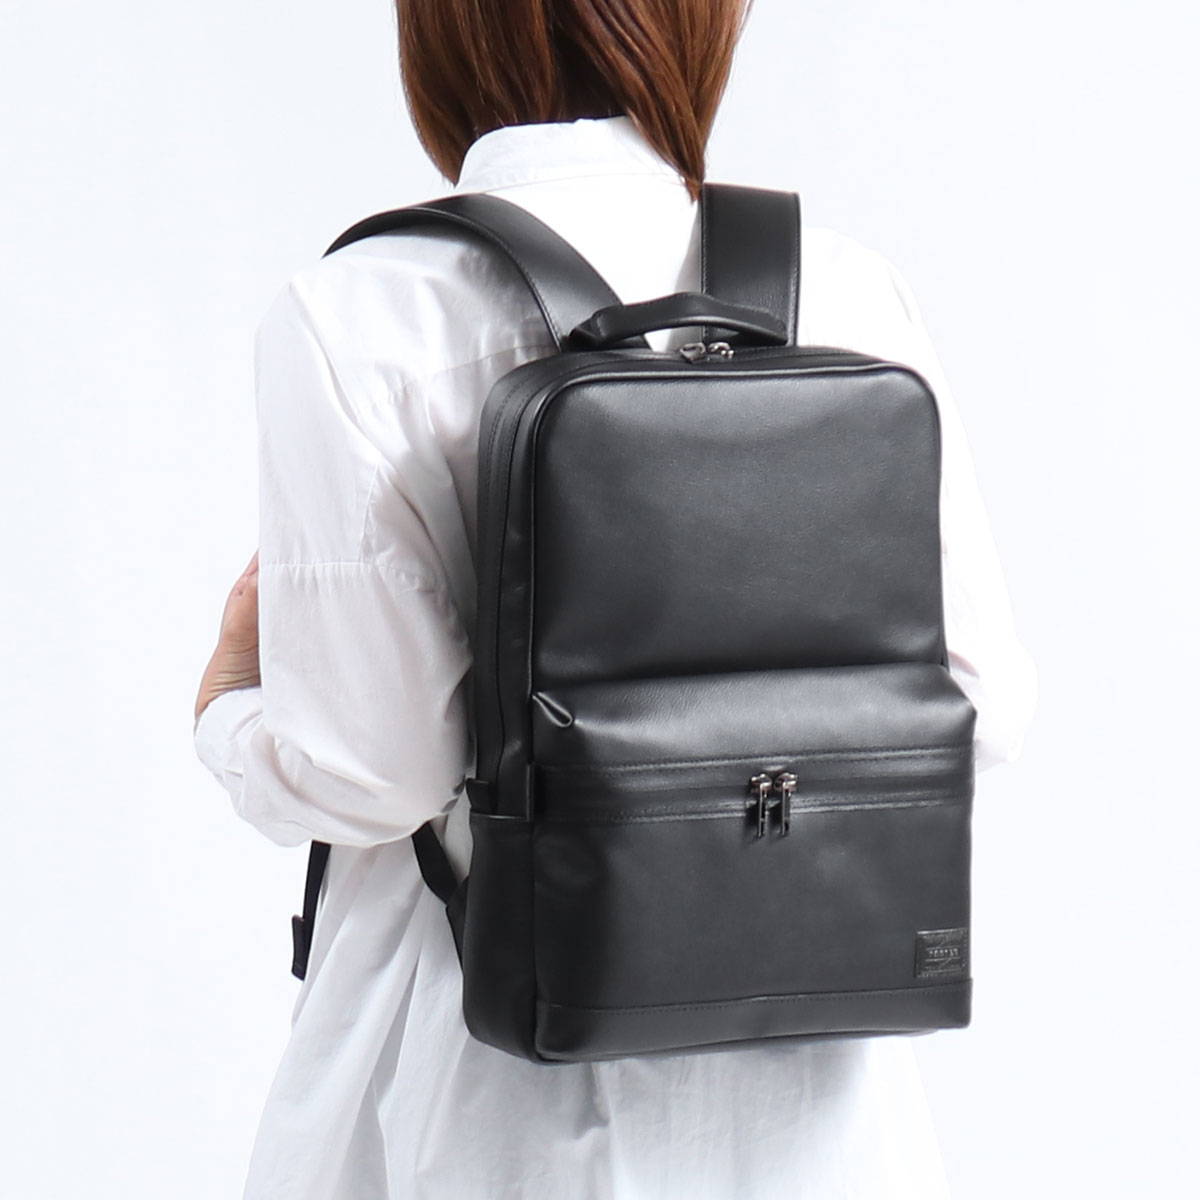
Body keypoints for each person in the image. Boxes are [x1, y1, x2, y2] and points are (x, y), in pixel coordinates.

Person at [193, 2, 1039, 1196]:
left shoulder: (359, 312)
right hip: (816, 1093)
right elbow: (978, 705)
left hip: (484, 1089)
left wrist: (230, 706)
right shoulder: (843, 288)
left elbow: (376, 771)